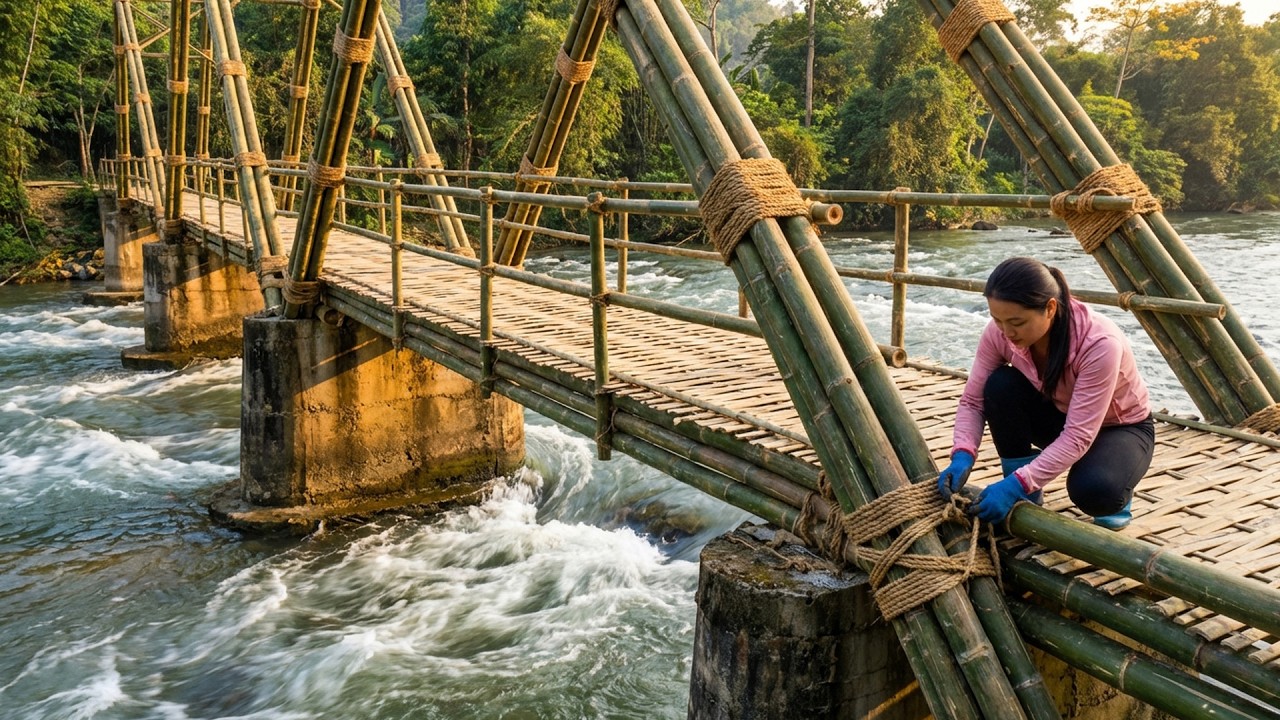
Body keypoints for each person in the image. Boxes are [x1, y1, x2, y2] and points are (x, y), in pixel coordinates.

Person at [935, 256, 1154, 529]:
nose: (1006, 331)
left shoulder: (1099, 344)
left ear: (1050, 308)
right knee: (1000, 384)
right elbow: (972, 401)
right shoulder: (1000, 332)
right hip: (1060, 412)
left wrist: (1014, 485)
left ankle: (1113, 491)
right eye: (997, 319)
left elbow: (1078, 436)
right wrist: (963, 454)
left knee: (1095, 490)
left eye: (1017, 322)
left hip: (1120, 429)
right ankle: (1027, 492)